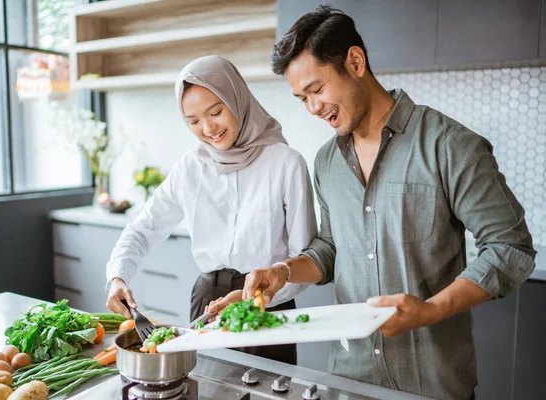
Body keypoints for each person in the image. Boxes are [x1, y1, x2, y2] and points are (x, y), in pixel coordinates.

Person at [232, 5, 536, 399]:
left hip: (432, 383)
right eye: (301, 99)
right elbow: (330, 249)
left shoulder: (448, 145)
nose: (313, 108)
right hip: (349, 378)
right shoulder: (326, 161)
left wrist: (431, 310)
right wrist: (283, 271)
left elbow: (510, 248)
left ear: (355, 62)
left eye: (317, 89)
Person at [104, 55, 317, 365]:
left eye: (216, 112)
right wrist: (117, 277)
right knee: (204, 388)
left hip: (267, 307)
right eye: (193, 121)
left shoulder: (286, 164)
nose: (208, 128)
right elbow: (142, 229)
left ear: (237, 99)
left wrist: (257, 296)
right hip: (209, 302)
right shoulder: (190, 169)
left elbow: (305, 259)